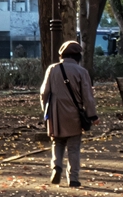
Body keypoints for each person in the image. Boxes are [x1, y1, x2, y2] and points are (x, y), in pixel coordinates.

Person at [40, 40, 98, 187]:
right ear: (77, 56)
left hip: (55, 115)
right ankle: (73, 178)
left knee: (57, 142)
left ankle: (57, 165)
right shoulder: (82, 72)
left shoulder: (52, 69)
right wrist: (93, 116)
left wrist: (46, 111)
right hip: (74, 115)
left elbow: (43, 92)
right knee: (73, 147)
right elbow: (88, 97)